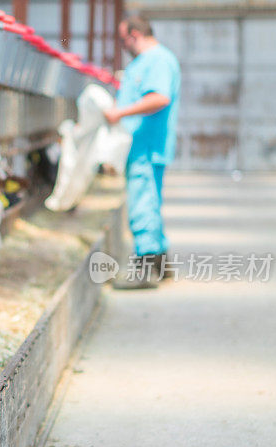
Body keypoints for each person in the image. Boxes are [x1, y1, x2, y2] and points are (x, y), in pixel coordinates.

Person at [103, 14, 181, 289]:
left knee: (142, 205)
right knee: (150, 202)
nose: (123, 45)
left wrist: (119, 112)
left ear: (134, 34)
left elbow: (159, 97)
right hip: (145, 145)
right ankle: (162, 264)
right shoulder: (147, 62)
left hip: (146, 146)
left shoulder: (157, 59)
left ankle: (144, 272)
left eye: (123, 39)